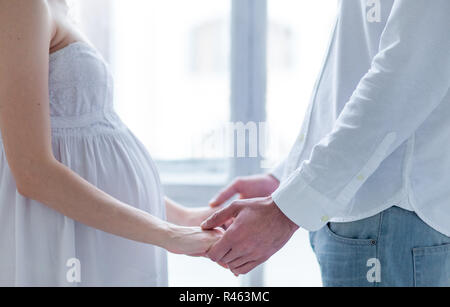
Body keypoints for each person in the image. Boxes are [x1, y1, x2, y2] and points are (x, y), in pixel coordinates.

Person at [203, 0, 450, 287]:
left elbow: (405, 78)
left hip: (385, 218)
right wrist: (288, 177)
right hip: (372, 219)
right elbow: (353, 75)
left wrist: (288, 208)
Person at [0, 0, 223, 286]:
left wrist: (182, 217)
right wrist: (167, 233)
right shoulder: (21, 5)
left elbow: (81, 152)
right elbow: (33, 171)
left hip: (94, 231)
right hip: (58, 231)